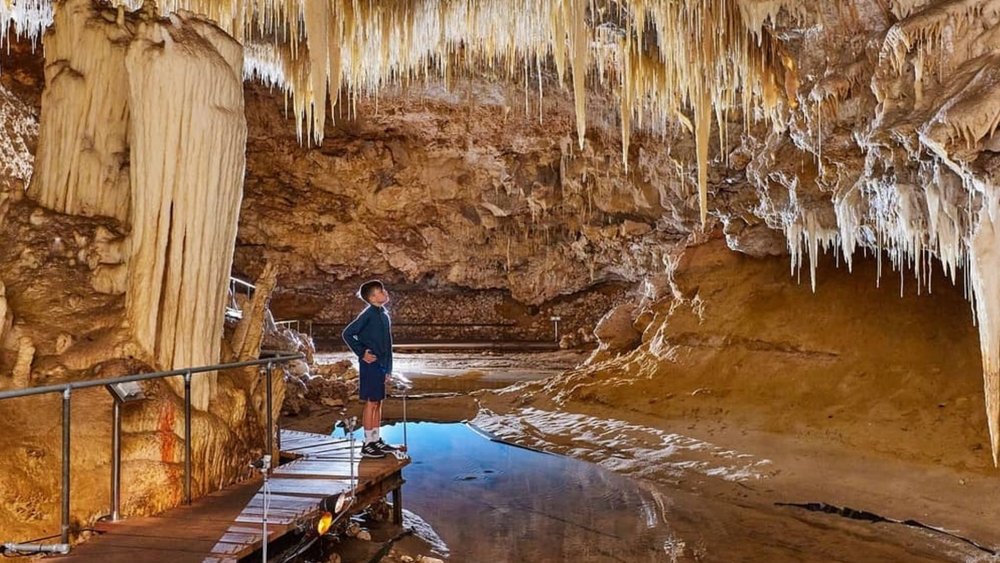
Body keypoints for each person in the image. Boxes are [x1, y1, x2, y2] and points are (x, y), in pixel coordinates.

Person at [342, 280, 399, 458]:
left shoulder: (384, 314)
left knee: (378, 401)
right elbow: (347, 333)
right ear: (373, 297)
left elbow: (388, 345)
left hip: (381, 365)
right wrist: (362, 353)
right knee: (370, 402)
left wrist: (389, 369)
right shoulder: (368, 314)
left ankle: (375, 439)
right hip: (370, 364)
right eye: (382, 291)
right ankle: (367, 444)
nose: (386, 292)